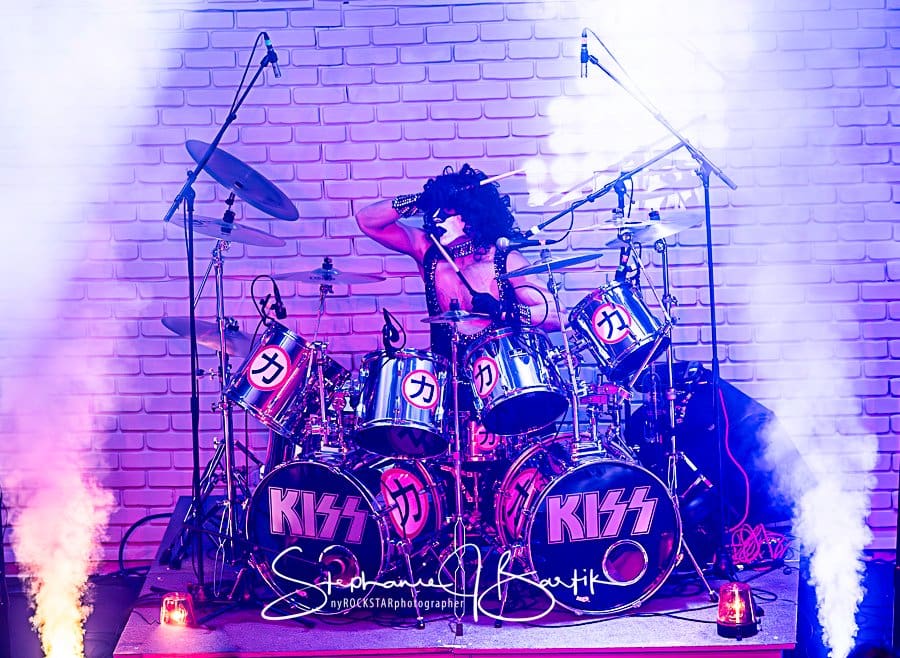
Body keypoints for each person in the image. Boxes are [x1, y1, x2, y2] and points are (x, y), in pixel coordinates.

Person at [354, 163, 559, 363]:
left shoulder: (504, 260)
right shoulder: (428, 252)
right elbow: (367, 221)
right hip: (447, 378)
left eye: (446, 211)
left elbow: (558, 316)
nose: (436, 219)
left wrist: (504, 312)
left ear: (471, 215)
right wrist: (420, 199)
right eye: (434, 211)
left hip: (501, 376)